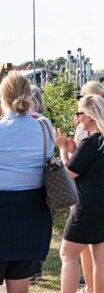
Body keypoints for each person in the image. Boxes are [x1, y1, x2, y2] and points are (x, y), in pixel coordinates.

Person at [0, 72, 53, 292]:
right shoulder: (44, 127)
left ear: (1, 101)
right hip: (32, 210)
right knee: (19, 286)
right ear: (30, 98)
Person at [56, 95, 104, 293]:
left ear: (90, 116)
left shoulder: (91, 142)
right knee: (100, 256)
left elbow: (68, 174)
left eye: (79, 113)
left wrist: (61, 149)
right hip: (101, 203)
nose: (76, 119)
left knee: (67, 254)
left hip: (86, 205)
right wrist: (73, 152)